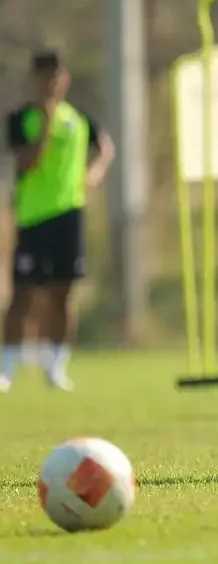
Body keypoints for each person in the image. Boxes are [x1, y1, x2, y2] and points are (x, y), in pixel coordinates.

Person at [0, 50, 115, 392]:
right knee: (23, 294)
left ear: (64, 79)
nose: (51, 84)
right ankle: (7, 368)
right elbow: (25, 164)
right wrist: (45, 128)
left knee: (63, 293)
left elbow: (105, 145)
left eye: (56, 77)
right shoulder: (20, 119)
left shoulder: (78, 118)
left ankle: (55, 368)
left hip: (69, 214)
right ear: (34, 80)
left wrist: (94, 171)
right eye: (44, 78)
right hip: (34, 217)